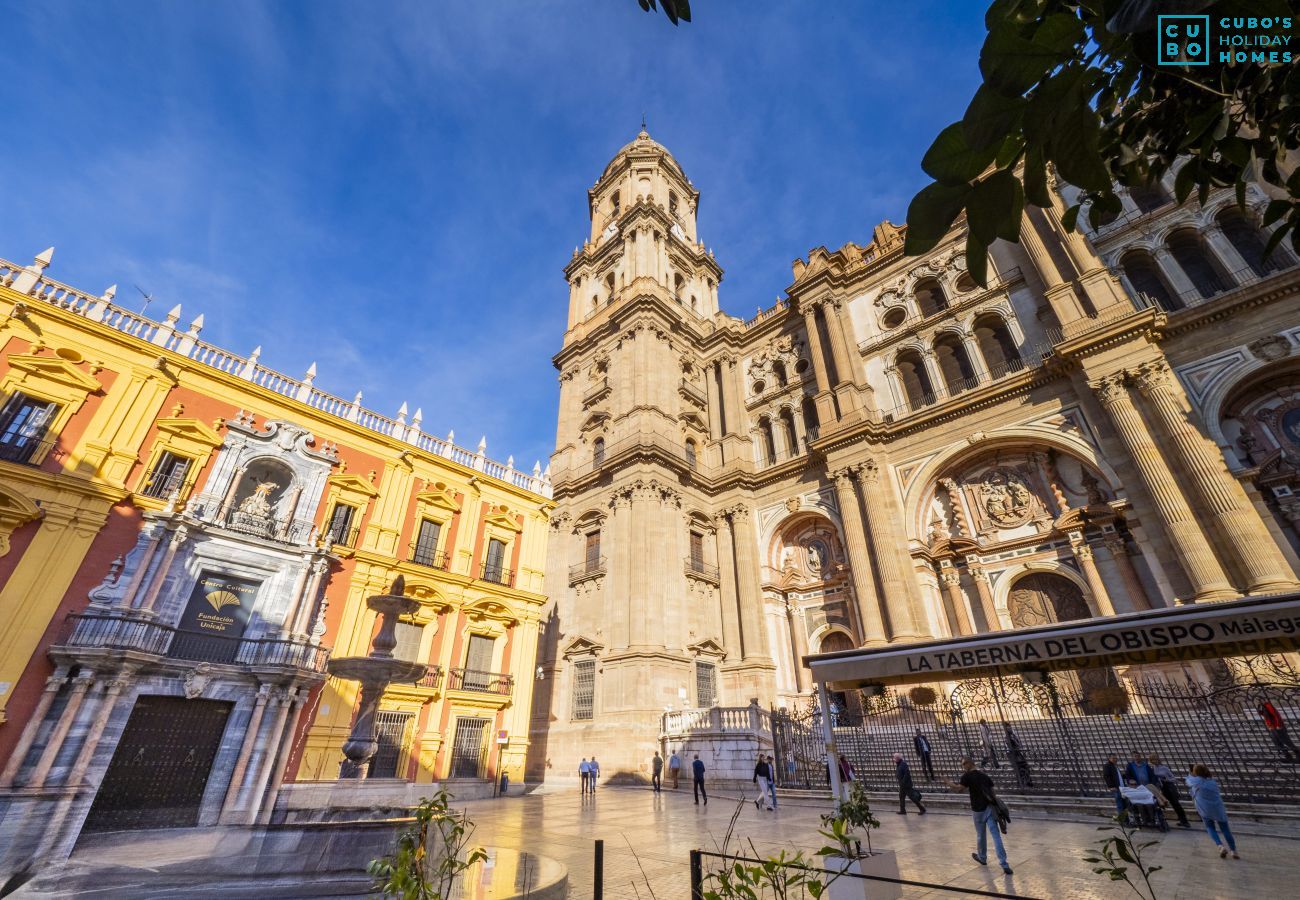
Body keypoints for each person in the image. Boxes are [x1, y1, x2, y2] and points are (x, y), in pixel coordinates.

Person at [947, 757, 1012, 875]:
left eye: (963, 764)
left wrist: (948, 783)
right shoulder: (984, 776)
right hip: (989, 808)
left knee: (981, 835)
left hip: (978, 810)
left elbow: (959, 789)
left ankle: (982, 857)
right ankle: (1004, 863)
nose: (963, 767)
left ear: (969, 764)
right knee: (996, 836)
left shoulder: (967, 776)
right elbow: (993, 792)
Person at [1187, 764, 1238, 859]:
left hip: (1205, 809)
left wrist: (1191, 773)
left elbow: (1189, 780)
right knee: (1225, 829)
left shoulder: (1195, 782)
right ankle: (1233, 851)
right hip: (1217, 807)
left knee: (1210, 827)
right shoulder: (1212, 782)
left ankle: (1220, 845)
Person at [1149, 754, 1190, 828]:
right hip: (1160, 788)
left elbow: (1173, 778)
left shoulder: (1164, 768)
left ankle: (1184, 821)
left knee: (1175, 804)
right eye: (1153, 759)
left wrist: (1166, 779)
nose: (1155, 761)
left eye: (1156, 759)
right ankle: (1161, 819)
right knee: (1160, 804)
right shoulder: (1152, 768)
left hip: (1169, 787)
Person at [1005, 724, 1033, 788]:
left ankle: (1027, 781)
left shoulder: (1013, 735)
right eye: (1008, 728)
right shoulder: (1008, 737)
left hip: (1017, 753)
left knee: (1024, 767)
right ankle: (1022, 783)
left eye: (1010, 727)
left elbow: (1018, 743)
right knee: (1019, 769)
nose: (1010, 729)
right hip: (1012, 754)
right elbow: (1011, 745)